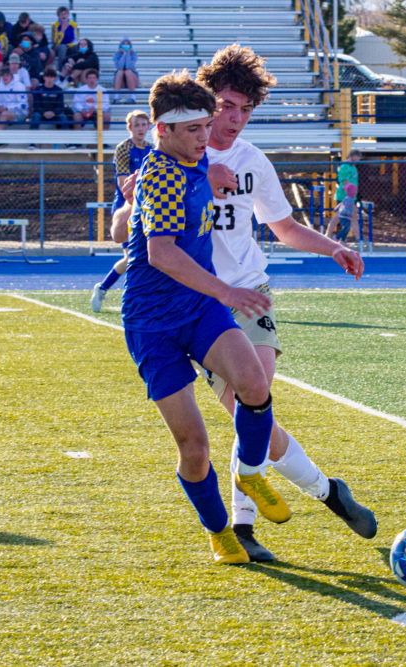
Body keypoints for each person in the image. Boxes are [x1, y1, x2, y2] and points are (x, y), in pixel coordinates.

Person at [195, 43, 375, 560]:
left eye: (245, 110)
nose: (234, 119)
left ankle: (244, 530)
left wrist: (334, 246)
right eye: (226, 106)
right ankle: (326, 490)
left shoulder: (254, 161)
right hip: (202, 302)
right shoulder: (184, 154)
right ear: (208, 102)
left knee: (255, 410)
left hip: (251, 293)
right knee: (245, 413)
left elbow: (284, 227)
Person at [118, 70, 290, 564]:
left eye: (205, 126)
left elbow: (207, 171)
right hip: (153, 325)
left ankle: (250, 473)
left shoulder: (195, 159)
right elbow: (162, 255)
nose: (205, 137)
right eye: (193, 130)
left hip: (199, 309)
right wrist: (228, 290)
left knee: (255, 387)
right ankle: (221, 533)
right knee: (194, 446)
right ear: (162, 131)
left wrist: (211, 171)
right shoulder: (158, 178)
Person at [90, 110, 152, 310]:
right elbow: (123, 183)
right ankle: (107, 289)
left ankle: (144, 298)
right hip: (128, 206)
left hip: (149, 206)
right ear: (129, 128)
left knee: (152, 255)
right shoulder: (123, 149)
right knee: (131, 257)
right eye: (137, 125)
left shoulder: (152, 149)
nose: (141, 129)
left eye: (144, 124)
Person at [29, 67, 67, 148]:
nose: (49, 79)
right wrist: (44, 113)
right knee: (35, 116)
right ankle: (32, 142)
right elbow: (36, 105)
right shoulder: (38, 89)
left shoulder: (59, 90)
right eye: (47, 76)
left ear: (55, 78)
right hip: (41, 114)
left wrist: (54, 113)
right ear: (44, 78)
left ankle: (68, 142)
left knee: (63, 117)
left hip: (54, 114)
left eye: (51, 77)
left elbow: (60, 106)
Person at [51, 6, 78, 71]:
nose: (64, 16)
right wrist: (62, 30)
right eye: (61, 14)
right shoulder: (55, 25)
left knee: (76, 48)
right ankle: (61, 71)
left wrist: (69, 45)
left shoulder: (73, 24)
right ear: (58, 16)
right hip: (58, 47)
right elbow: (55, 42)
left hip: (69, 46)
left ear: (68, 15)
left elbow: (76, 40)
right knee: (62, 47)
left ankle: (74, 70)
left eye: (65, 14)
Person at [112, 37, 138, 103]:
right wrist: (124, 54)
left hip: (132, 79)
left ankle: (133, 98)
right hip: (121, 80)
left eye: (127, 44)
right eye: (124, 44)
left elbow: (129, 66)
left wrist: (128, 54)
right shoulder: (116, 54)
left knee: (128, 72)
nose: (126, 45)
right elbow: (120, 66)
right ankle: (116, 98)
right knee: (120, 72)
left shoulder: (134, 54)